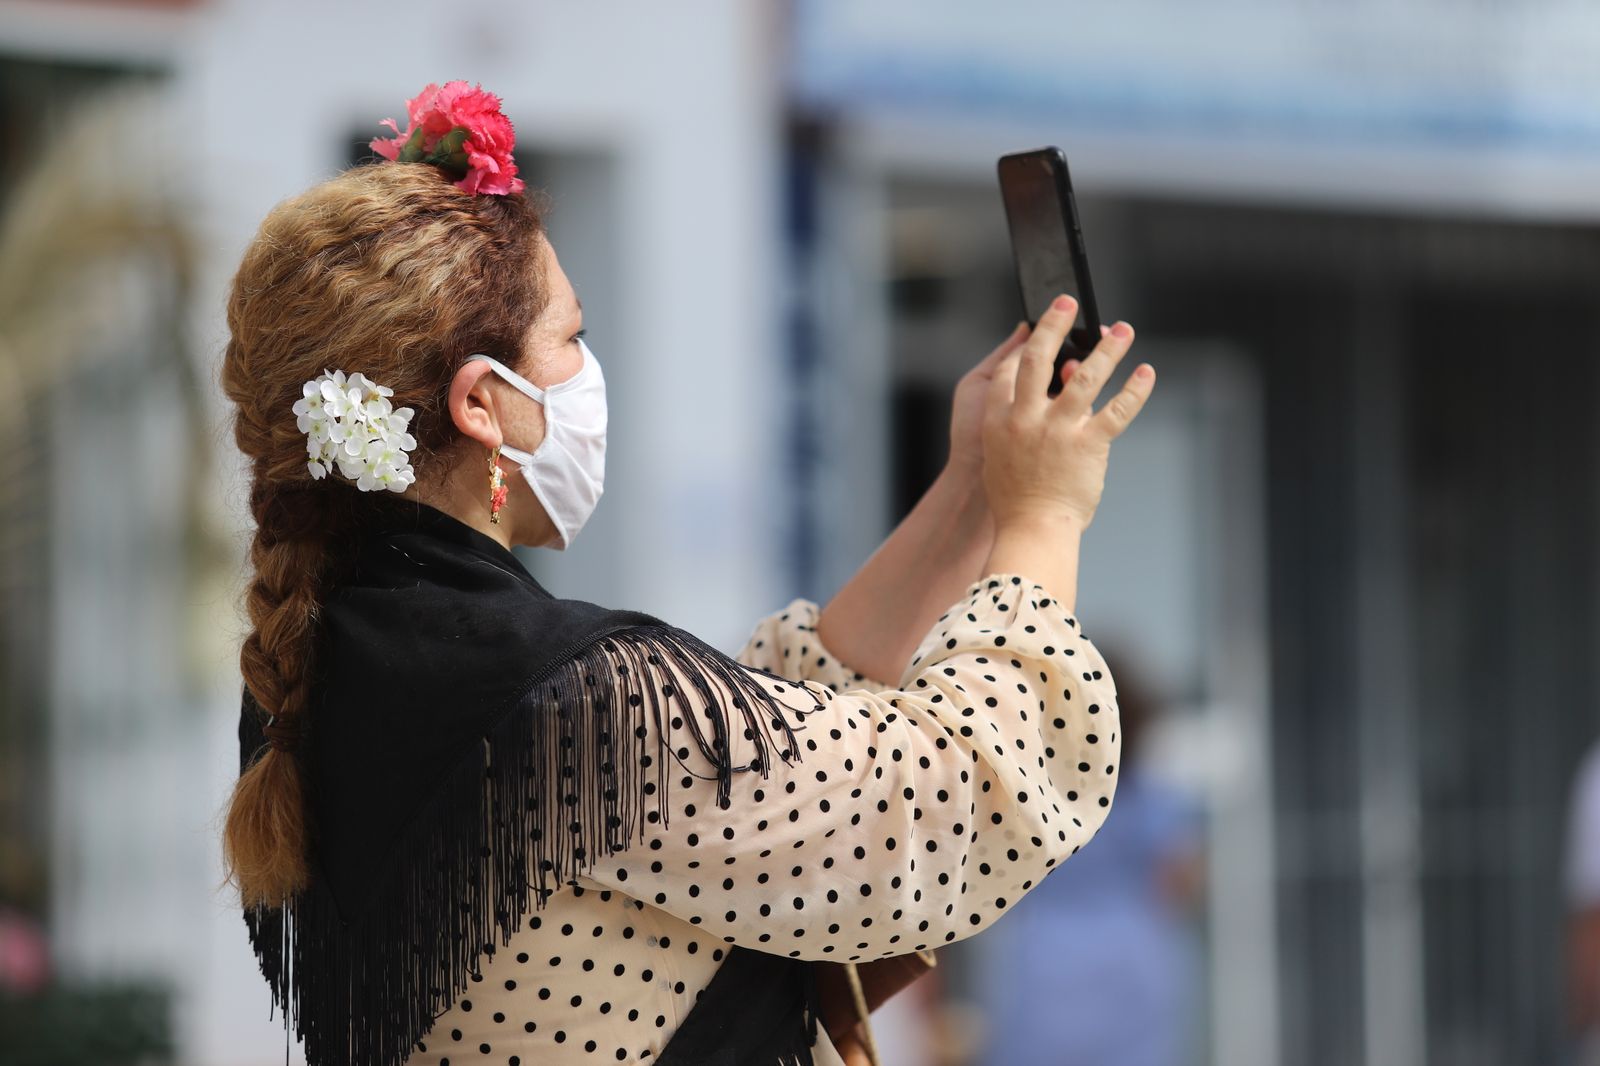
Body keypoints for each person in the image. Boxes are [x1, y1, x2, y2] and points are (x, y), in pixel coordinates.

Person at [218, 81, 1157, 1066]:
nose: (587, 370)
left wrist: (969, 484)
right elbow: (945, 797)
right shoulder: (566, 699)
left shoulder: (318, 667)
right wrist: (1044, 512)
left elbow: (765, 742)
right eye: (570, 339)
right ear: (481, 405)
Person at [972, 650, 1205, 1066]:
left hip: (1044, 960)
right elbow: (1180, 880)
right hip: (1132, 958)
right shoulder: (1148, 793)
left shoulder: (1036, 796)